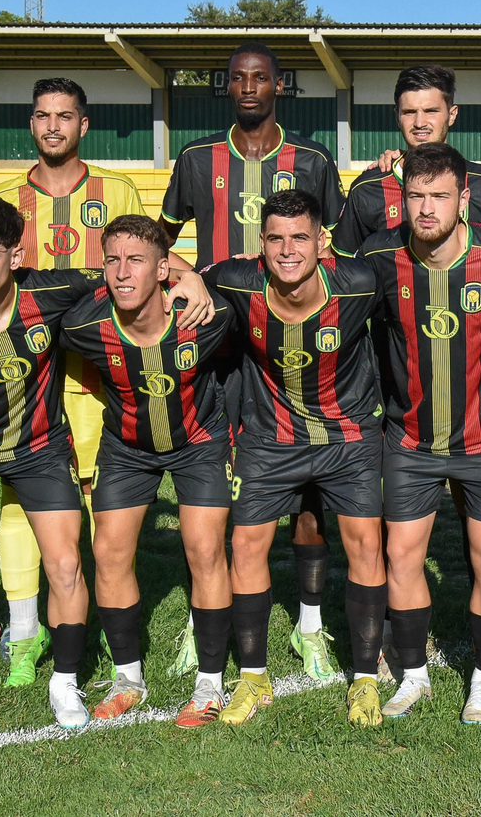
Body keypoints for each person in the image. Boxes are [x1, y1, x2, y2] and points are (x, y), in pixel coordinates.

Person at [0, 197, 208, 731]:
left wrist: (190, 277)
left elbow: (131, 269)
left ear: (16, 256)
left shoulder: (53, 290)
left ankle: (65, 683)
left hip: (40, 450)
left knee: (64, 565)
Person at [161, 42, 346, 681]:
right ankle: (200, 615)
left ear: (279, 86)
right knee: (209, 475)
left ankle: (312, 625)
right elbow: (161, 238)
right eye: (237, 78)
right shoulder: (196, 158)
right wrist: (191, 279)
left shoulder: (314, 160)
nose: (248, 88)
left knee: (310, 485)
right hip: (218, 340)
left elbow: (339, 245)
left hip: (291, 333)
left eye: (259, 78)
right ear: (226, 86)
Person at [355, 142, 481, 723]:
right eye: (415, 195)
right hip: (409, 441)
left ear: (464, 198)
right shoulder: (379, 256)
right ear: (402, 198)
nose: (426, 208)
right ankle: (413, 676)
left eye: (438, 196)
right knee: (401, 556)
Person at [0, 77, 148, 686]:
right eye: (44, 117)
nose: (54, 127)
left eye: (66, 116)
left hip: (101, 382)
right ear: (31, 125)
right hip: (25, 383)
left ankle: (104, 623)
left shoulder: (119, 190)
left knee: (107, 509)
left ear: (85, 124)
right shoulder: (1, 199)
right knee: (22, 504)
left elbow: (141, 271)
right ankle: (25, 633)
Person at [204, 189, 390, 727]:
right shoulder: (239, 281)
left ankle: (364, 681)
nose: (288, 250)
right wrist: (188, 276)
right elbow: (182, 272)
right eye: (277, 239)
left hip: (348, 439)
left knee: (365, 546)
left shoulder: (357, 285)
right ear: (260, 244)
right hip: (269, 440)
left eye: (300, 237)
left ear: (321, 242)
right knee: (245, 547)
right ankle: (254, 678)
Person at [59, 215, 234, 724]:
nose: (121, 272)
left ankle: (209, 683)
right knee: (108, 552)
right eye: (112, 260)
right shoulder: (83, 325)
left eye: (136, 260)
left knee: (204, 551)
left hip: (198, 443)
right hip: (127, 449)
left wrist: (195, 277)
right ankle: (127, 677)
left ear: (163, 270)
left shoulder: (206, 315)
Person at [331, 65, 481, 255]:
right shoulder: (367, 188)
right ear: (397, 116)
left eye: (431, 111)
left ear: (452, 114)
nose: (420, 123)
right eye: (409, 112)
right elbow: (340, 265)